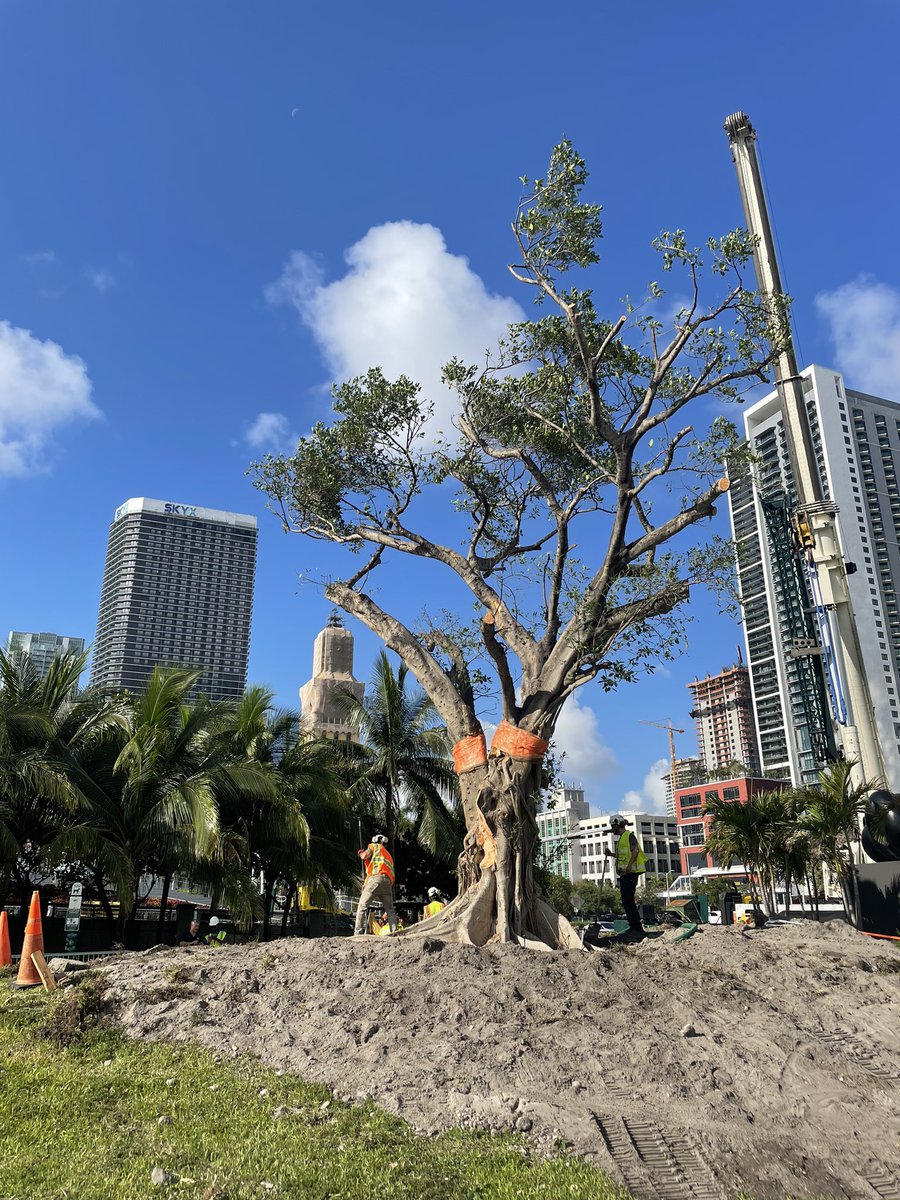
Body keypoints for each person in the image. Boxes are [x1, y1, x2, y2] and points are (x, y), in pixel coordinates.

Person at [604, 815, 647, 939]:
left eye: (613, 826)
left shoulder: (629, 836)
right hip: (625, 874)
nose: (613, 829)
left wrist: (629, 866)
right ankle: (634, 926)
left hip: (630, 873)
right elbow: (623, 856)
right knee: (626, 901)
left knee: (628, 901)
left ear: (617, 825)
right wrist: (611, 854)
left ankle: (636, 928)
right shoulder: (622, 838)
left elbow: (635, 851)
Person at [354, 833, 397, 936]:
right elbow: (378, 868)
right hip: (387, 883)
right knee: (390, 910)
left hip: (376, 879)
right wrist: (366, 882)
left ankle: (358, 933)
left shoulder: (374, 846)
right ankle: (394, 932)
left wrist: (360, 853)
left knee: (362, 906)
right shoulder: (388, 855)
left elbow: (365, 856)